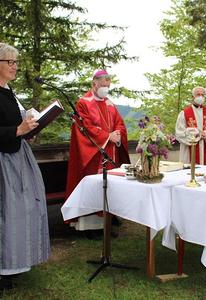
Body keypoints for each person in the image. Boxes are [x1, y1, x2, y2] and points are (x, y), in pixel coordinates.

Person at [0, 43, 50, 290]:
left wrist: (30, 127)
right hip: (3, 164)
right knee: (4, 213)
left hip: (17, 156)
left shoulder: (9, 91)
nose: (14, 66)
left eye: (16, 62)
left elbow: (19, 120)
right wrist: (17, 130)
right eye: (9, 62)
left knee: (18, 213)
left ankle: (12, 264)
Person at [65, 69, 130, 236]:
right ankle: (90, 227)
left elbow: (119, 124)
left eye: (108, 86)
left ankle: (106, 225)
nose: (106, 89)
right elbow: (84, 128)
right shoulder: (83, 103)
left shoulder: (109, 103)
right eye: (103, 85)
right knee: (94, 187)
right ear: (94, 84)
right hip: (93, 153)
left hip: (110, 152)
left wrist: (118, 135)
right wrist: (107, 136)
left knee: (108, 188)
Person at [175, 86, 206, 165]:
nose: (201, 97)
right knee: (189, 173)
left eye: (203, 95)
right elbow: (179, 133)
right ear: (193, 97)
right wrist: (196, 134)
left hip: (205, 148)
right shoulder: (184, 113)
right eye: (198, 94)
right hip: (189, 151)